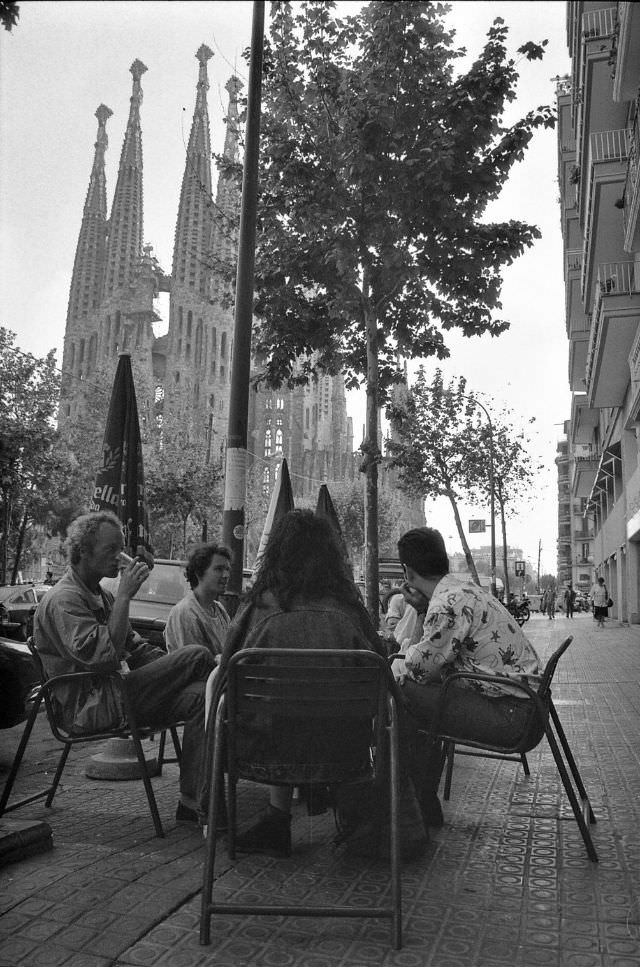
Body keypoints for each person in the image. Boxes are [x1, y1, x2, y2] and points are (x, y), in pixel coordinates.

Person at [206, 509, 428, 859]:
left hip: (260, 754)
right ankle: (356, 821)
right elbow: (381, 678)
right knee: (325, 719)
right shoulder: (350, 611)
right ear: (331, 558)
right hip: (344, 753)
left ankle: (276, 820)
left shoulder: (256, 608)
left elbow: (225, 678)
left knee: (279, 715)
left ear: (276, 554)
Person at [34, 511, 216, 824]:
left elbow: (135, 648)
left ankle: (191, 803)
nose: (121, 558)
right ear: (83, 553)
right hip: (91, 706)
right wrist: (125, 596)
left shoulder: (100, 594)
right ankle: (229, 689)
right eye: (110, 550)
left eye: (121, 548)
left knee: (202, 696)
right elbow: (102, 657)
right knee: (198, 655)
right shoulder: (64, 599)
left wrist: (171, 671)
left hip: (118, 695)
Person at [393, 527, 541, 826]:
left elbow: (420, 669)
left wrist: (398, 662)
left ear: (407, 572)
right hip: (527, 708)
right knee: (418, 701)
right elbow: (435, 659)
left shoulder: (448, 603)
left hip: (512, 718)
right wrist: (423, 611)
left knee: (401, 690)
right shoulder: (464, 590)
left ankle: (408, 805)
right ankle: (420, 801)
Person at [164, 542, 231, 659]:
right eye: (219, 569)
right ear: (199, 573)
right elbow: (193, 664)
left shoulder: (219, 609)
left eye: (227, 569)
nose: (226, 575)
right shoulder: (185, 612)